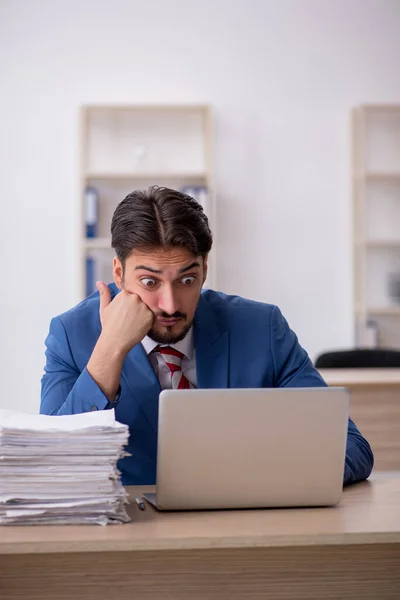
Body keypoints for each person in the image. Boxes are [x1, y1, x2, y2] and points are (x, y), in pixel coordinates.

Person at [40, 186, 374, 486]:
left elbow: (351, 448)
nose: (169, 305)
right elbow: (50, 466)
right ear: (118, 273)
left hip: (242, 526)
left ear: (205, 270)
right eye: (150, 282)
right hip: (127, 534)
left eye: (187, 280)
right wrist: (110, 349)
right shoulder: (72, 334)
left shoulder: (262, 328)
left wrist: (259, 477)